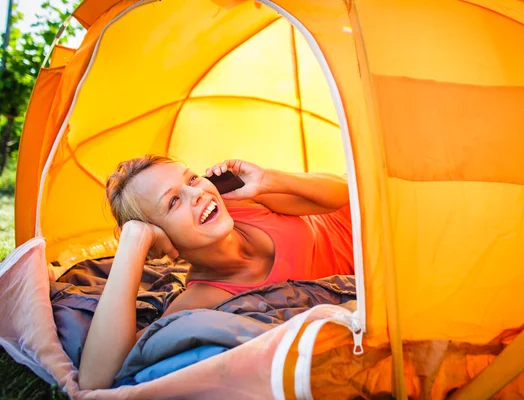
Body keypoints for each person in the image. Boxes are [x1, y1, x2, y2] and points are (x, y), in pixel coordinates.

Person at [78, 155, 354, 390]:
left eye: (192, 179)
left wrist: (268, 179)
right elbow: (95, 379)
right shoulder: (200, 299)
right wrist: (133, 241)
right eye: (173, 201)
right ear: (158, 239)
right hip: (377, 270)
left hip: (371, 217)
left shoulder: (242, 202)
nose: (196, 193)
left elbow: (346, 192)